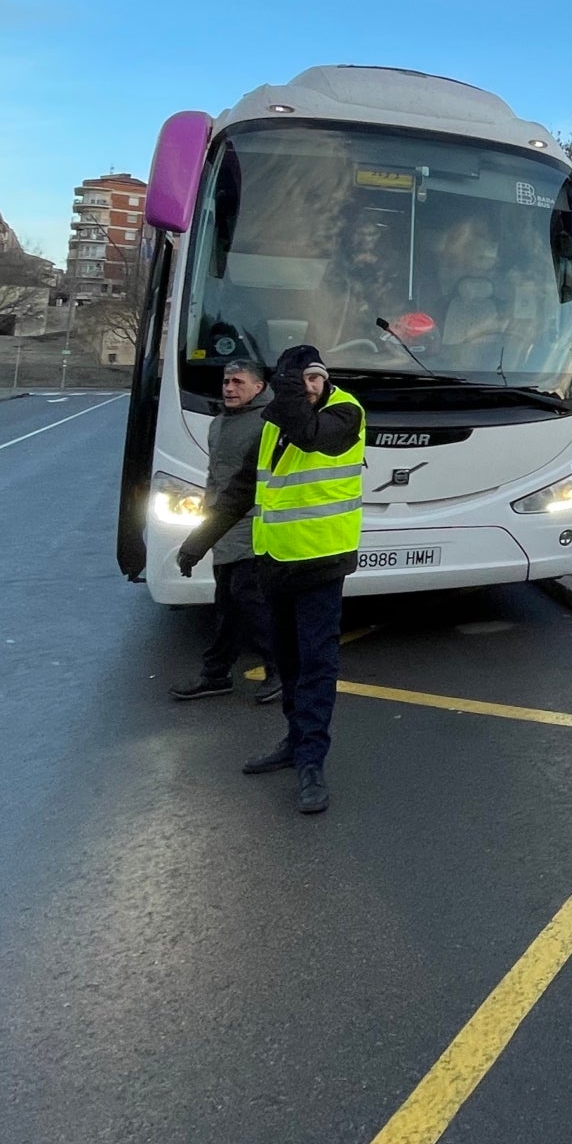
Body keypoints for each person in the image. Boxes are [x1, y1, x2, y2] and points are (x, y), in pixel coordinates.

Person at [178, 343, 365, 816]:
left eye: (314, 378)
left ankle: (311, 762)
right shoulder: (272, 425)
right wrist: (198, 542)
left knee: (317, 666)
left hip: (322, 563)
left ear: (325, 379)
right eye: (299, 379)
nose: (309, 387)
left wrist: (287, 393)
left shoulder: (346, 412)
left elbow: (309, 435)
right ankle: (293, 742)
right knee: (288, 663)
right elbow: (242, 491)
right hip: (276, 565)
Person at [170, 359, 278, 705]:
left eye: (238, 382)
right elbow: (215, 480)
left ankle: (278, 669)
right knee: (228, 605)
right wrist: (206, 529)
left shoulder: (269, 423)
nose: (229, 388)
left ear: (259, 388)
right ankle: (216, 674)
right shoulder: (217, 425)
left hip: (251, 527)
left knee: (249, 601)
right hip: (222, 526)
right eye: (226, 381)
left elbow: (255, 485)